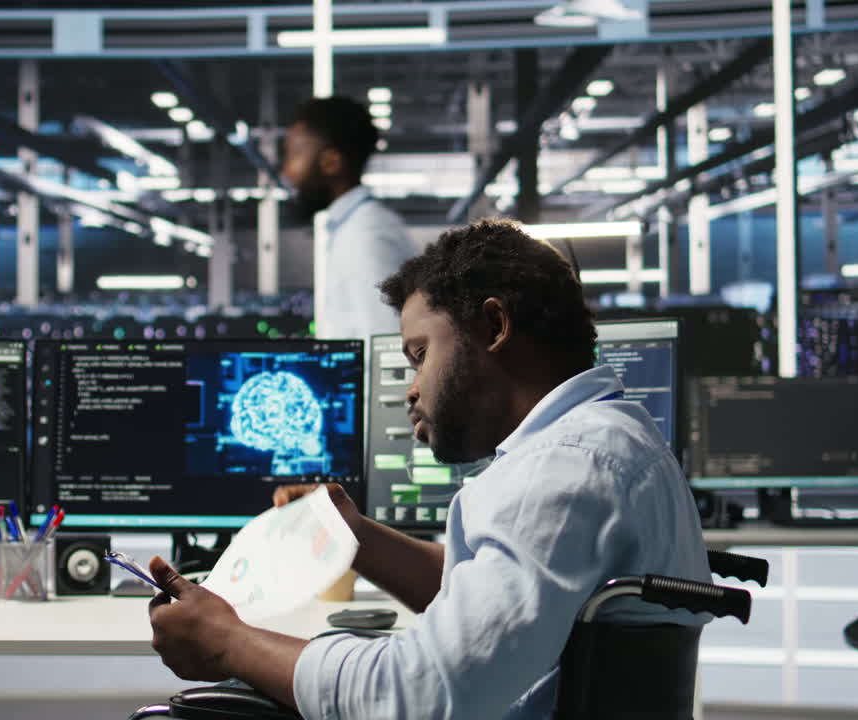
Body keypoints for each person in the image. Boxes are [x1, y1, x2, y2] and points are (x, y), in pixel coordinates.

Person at [145, 219, 711, 719]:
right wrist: (354, 536)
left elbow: (421, 697)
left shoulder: (560, 469)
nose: (411, 390)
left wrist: (227, 643)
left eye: (420, 355)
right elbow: (500, 603)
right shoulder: (612, 444)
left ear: (493, 327)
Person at [281, 96, 413, 340]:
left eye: (295, 155)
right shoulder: (351, 228)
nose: (287, 173)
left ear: (331, 162)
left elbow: (386, 352)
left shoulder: (365, 236)